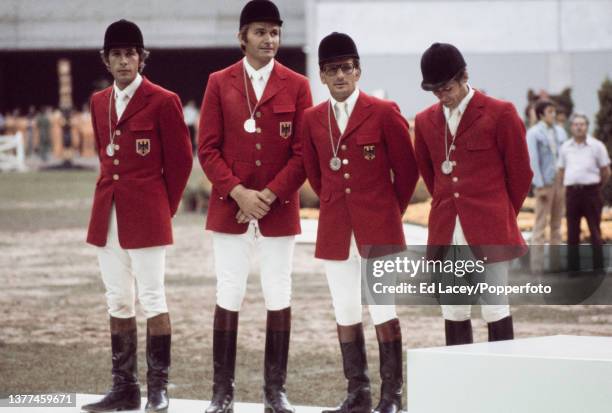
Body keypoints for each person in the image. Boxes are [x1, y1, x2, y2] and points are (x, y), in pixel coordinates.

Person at [197, 1, 312, 413]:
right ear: (242, 36)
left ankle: (274, 392)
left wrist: (268, 196)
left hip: (278, 207)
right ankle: (221, 392)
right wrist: (239, 193)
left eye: (275, 32)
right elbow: (207, 149)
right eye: (261, 32)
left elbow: (303, 152)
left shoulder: (297, 84)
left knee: (278, 291)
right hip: (232, 207)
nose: (269, 40)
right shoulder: (219, 81)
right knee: (229, 290)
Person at [302, 32, 418, 413]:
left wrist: (387, 212)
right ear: (321, 75)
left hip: (377, 226)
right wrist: (337, 204)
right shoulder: (312, 119)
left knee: (382, 307)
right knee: (345, 309)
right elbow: (316, 175)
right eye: (332, 70)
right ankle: (358, 393)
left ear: (358, 71)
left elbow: (406, 171)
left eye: (347, 68)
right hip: (336, 228)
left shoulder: (383, 111)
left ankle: (391, 396)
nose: (340, 76)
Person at [82, 19, 193, 413]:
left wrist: (164, 209)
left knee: (152, 298)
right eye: (116, 55)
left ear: (142, 59)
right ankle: (124, 388)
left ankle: (158, 389)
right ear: (106, 60)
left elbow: (181, 163)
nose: (124, 61)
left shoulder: (163, 100)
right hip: (107, 214)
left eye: (131, 54)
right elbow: (103, 154)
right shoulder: (98, 102)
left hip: (147, 215)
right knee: (117, 301)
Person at [414, 43, 533, 345]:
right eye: (435, 90)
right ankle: (460, 382)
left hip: (489, 227)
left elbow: (520, 175)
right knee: (454, 309)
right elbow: (431, 175)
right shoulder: (426, 121)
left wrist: (499, 213)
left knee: (494, 306)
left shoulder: (500, 113)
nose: (442, 95)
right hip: (446, 228)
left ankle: (503, 379)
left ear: (465, 75)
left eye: (447, 87)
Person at [558, 112, 610, 270]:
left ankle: (598, 267)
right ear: (571, 127)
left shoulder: (597, 146)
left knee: (595, 229)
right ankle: (573, 268)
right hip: (572, 194)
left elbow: (606, 171)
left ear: (587, 127)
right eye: (576, 124)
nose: (579, 127)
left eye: (582, 124)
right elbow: (561, 170)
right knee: (572, 231)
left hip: (591, 192)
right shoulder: (565, 147)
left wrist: (597, 186)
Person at [526, 99, 568, 271]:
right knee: (540, 224)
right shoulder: (534, 133)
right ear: (542, 114)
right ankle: (537, 267)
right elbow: (533, 159)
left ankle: (556, 265)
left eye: (553, 111)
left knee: (557, 225)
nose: (553, 115)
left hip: (560, 181)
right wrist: (539, 184)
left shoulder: (560, 131)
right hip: (545, 182)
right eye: (549, 111)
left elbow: (565, 155)